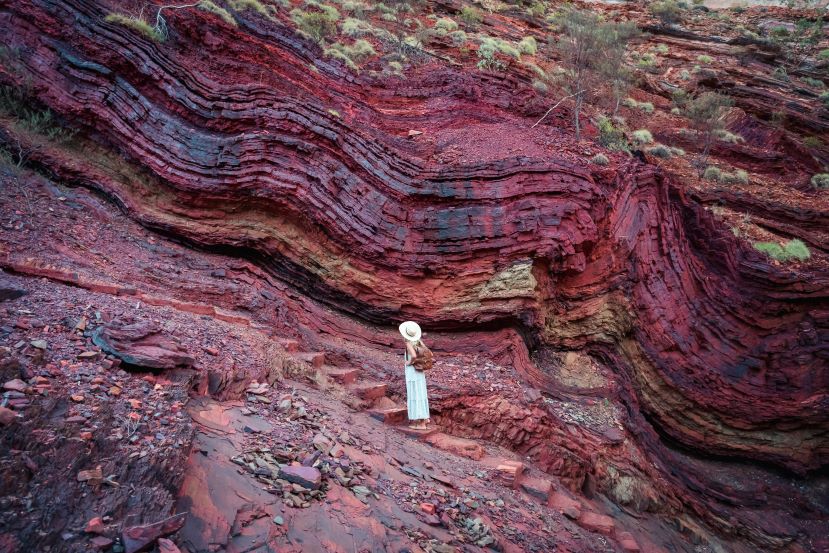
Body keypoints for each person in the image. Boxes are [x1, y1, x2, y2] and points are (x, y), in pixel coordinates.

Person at [398, 320, 430, 430]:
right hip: (420, 371)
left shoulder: (408, 342)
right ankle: (425, 419)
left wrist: (409, 362)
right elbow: (425, 352)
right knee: (420, 392)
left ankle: (421, 424)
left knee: (415, 393)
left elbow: (414, 356)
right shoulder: (418, 341)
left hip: (413, 371)